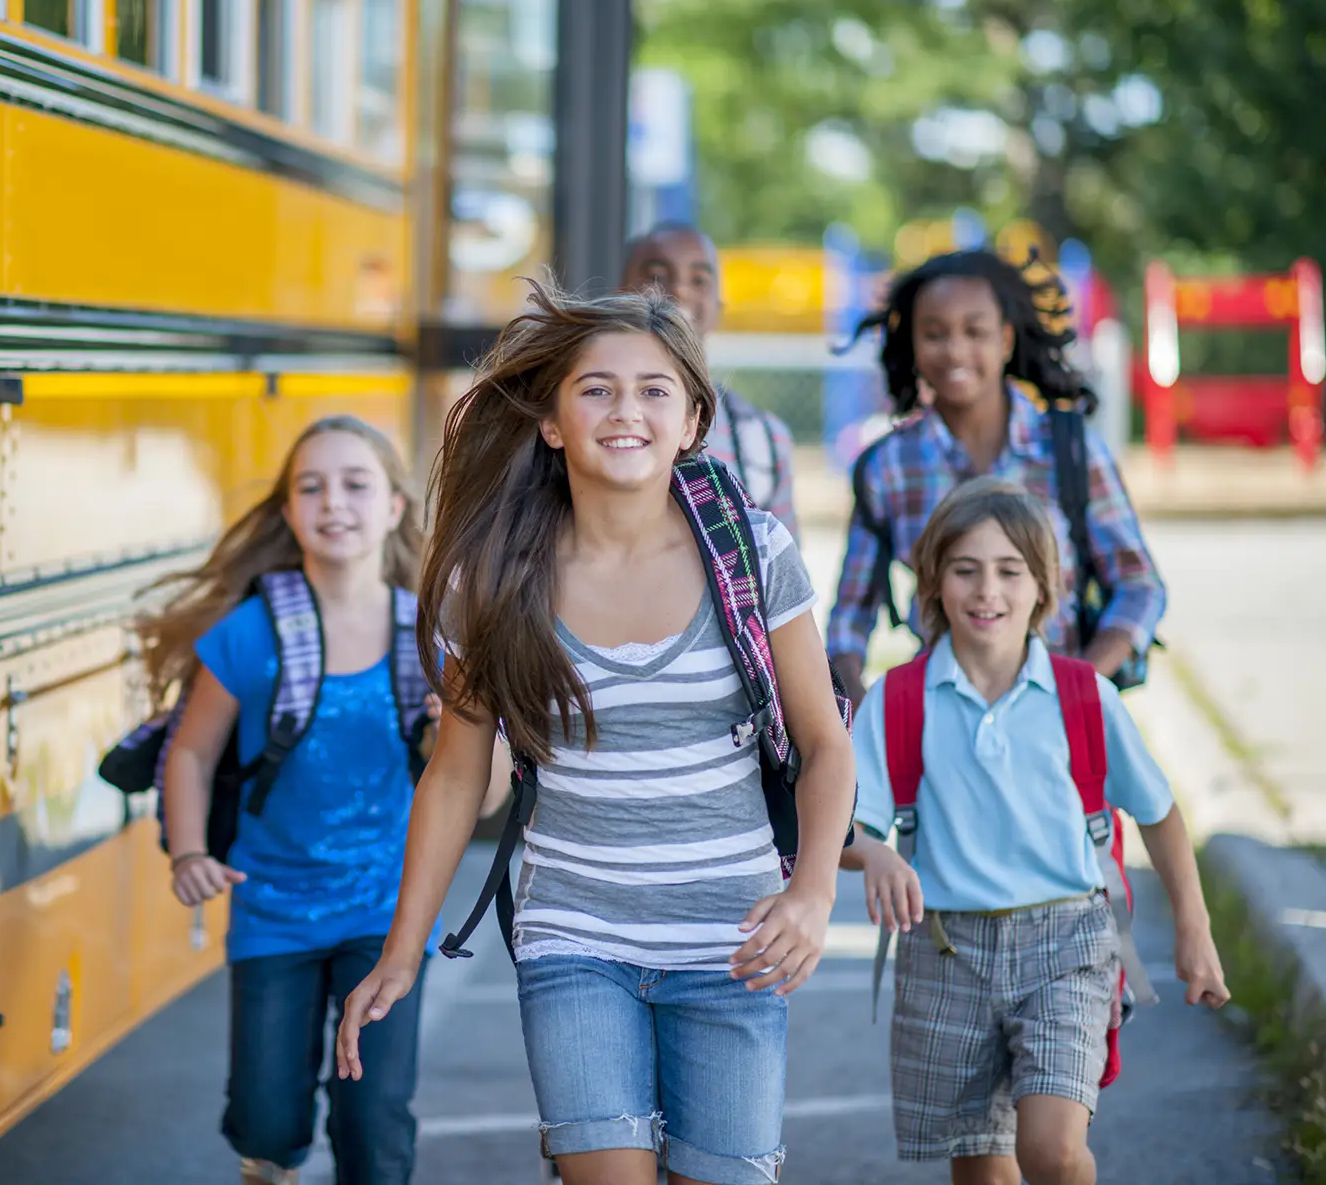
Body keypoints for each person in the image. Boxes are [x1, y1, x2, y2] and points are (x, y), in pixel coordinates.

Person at [335, 281, 857, 1185]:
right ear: (551, 422)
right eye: (597, 389)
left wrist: (811, 894)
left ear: (693, 421)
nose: (628, 410)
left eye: (656, 390)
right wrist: (401, 951)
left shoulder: (753, 553)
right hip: (576, 940)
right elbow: (458, 778)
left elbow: (825, 742)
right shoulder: (494, 578)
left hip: (733, 944)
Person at [147, 415, 506, 1185]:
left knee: (372, 1123)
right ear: (287, 513)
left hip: (385, 912)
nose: (332, 502)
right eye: (310, 487)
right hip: (270, 910)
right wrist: (187, 852)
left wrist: (460, 734)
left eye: (355, 484)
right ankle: (267, 1163)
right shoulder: (252, 634)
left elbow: (483, 799)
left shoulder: (432, 636)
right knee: (268, 1117)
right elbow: (191, 751)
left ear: (395, 509)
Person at [843, 477, 1228, 1185]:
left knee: (1049, 1150)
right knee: (983, 1169)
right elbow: (844, 827)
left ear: (1043, 587)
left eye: (1009, 571)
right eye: (965, 569)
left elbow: (1158, 810)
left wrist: (1193, 931)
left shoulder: (1086, 696)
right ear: (933, 583)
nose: (987, 590)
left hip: (1068, 943)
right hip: (945, 948)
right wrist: (874, 855)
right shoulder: (898, 700)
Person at [828, 248, 1166, 705]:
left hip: (1060, 729)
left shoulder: (1069, 450)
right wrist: (864, 715)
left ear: (1006, 340)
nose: (955, 349)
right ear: (910, 342)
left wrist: (1078, 690)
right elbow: (849, 622)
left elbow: (1138, 584)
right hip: (940, 728)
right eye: (934, 333)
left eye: (975, 331)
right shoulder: (886, 467)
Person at [622, 222, 800, 539]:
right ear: (619, 293)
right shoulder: (586, 421)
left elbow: (783, 574)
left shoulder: (764, 441)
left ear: (719, 306)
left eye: (699, 279)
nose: (681, 290)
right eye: (657, 276)